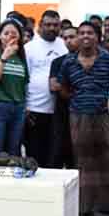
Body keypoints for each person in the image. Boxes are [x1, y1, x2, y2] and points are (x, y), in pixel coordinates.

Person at [57, 22, 109, 216]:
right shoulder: (68, 62)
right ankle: (84, 209)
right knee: (83, 161)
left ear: (97, 36)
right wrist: (78, 100)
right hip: (78, 116)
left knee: (107, 160)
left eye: (90, 33)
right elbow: (62, 87)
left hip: (104, 116)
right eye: (81, 33)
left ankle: (108, 208)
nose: (85, 36)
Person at [0, 19, 27, 171]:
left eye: (14, 33)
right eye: (6, 33)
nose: (10, 36)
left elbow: (24, 84)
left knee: (13, 152)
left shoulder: (21, 58)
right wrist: (4, 57)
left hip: (18, 108)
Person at [24, 10, 67, 167]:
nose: (51, 28)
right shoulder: (29, 48)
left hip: (57, 110)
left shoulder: (64, 45)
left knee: (54, 155)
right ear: (40, 26)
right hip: (34, 109)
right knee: (35, 154)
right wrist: (25, 107)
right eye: (48, 24)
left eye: (55, 25)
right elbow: (24, 79)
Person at [49, 24, 79, 168]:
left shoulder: (94, 58)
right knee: (58, 153)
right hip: (62, 114)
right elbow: (54, 86)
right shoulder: (58, 61)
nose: (68, 41)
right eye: (65, 38)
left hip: (84, 114)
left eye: (72, 37)